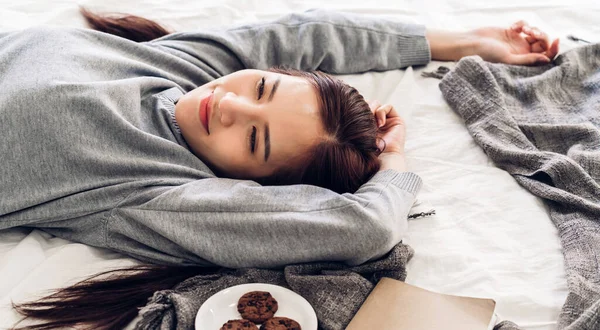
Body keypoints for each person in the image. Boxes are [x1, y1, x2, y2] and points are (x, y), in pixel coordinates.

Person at [3, 7, 558, 330]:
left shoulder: (155, 188)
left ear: (250, 184)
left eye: (253, 139)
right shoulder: (181, 64)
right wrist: (467, 40)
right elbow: (303, 32)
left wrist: (396, 162)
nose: (229, 105)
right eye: (263, 87)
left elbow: (360, 228)